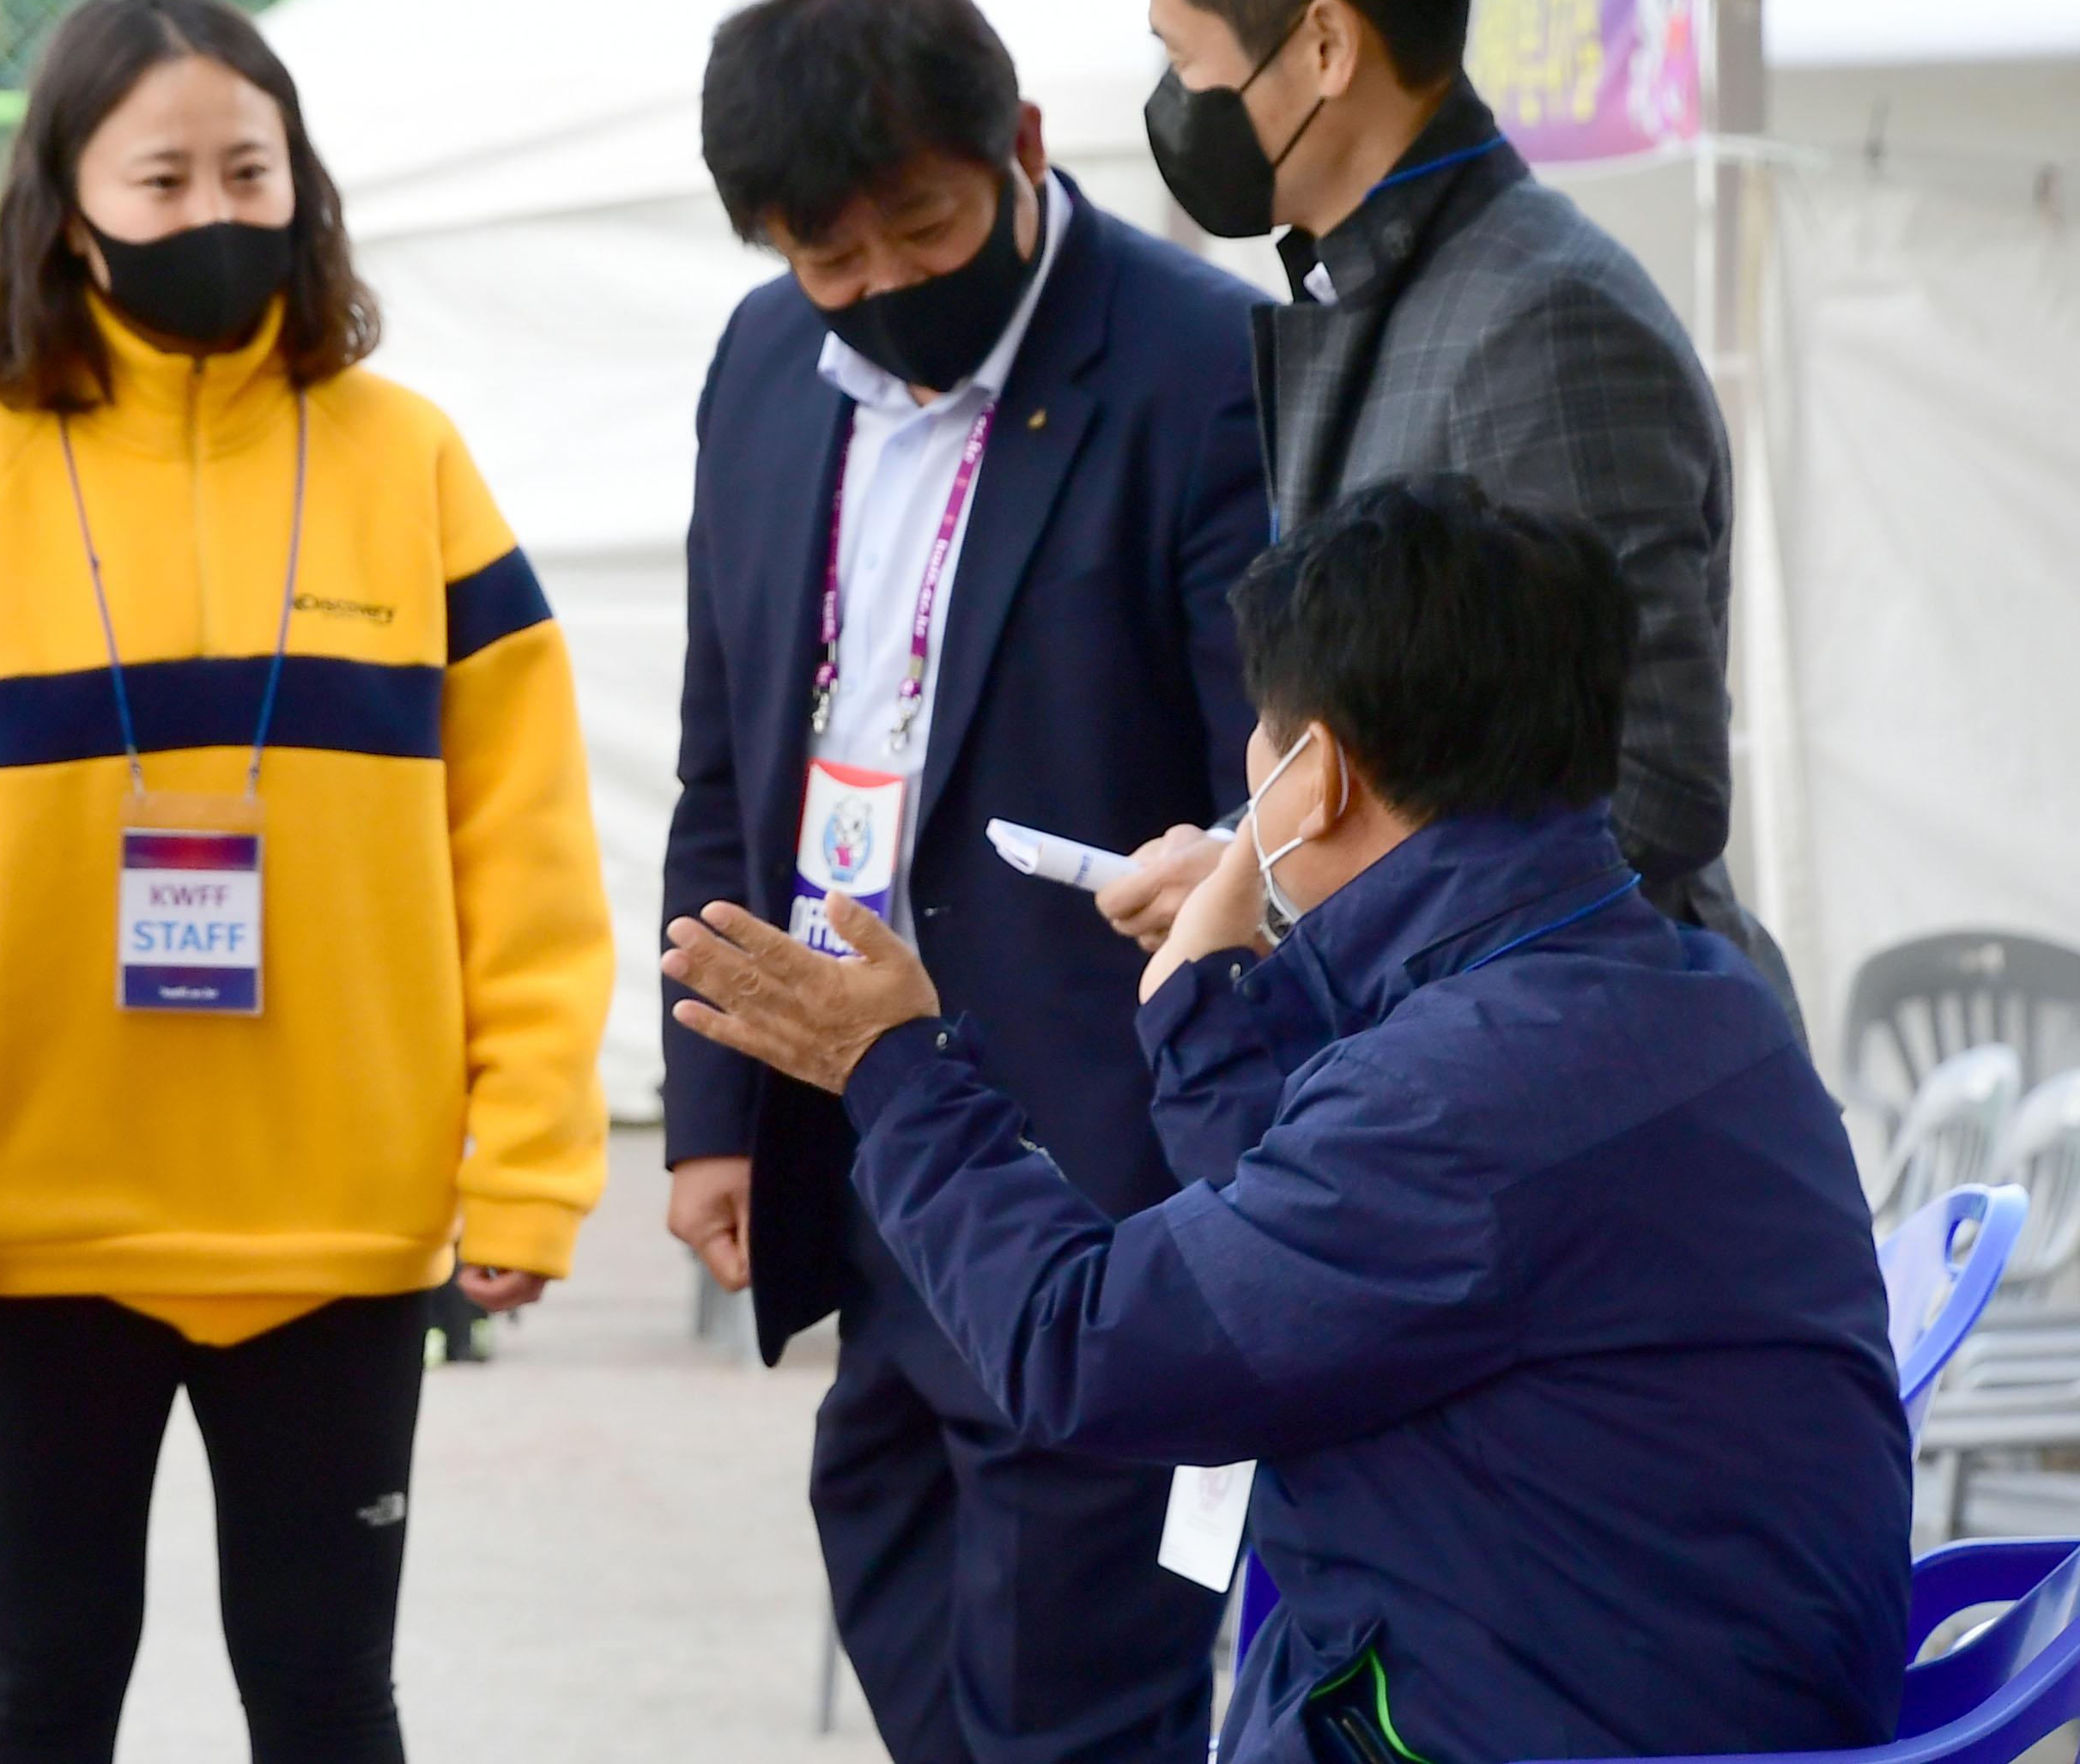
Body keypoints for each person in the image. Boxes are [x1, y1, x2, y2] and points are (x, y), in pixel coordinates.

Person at [664, 475, 1910, 1764]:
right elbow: (1304, 1273)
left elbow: (1089, 1353)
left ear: (1314, 775)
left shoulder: (1465, 1090)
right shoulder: (1683, 990)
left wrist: (890, 1069)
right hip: (1682, 1675)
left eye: (1264, 735)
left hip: (1552, 1715)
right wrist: (1221, 993)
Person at [0, 0, 613, 1764]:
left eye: (247, 170)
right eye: (161, 177)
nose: (212, 215)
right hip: (28, 1229)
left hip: (340, 1222)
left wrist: (533, 1165)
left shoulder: (409, 460)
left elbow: (528, 850)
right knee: (35, 1699)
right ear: (63, 198)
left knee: (331, 1700)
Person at [662, 0, 1271, 1764]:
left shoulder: (1197, 362)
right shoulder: (771, 362)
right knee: (903, 1587)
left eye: (920, 235)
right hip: (855, 1132)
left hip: (1099, 1168)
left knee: (1073, 1699)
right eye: (826, 257)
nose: (877, 291)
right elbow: (726, 748)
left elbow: (1275, 775)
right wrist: (713, 1103)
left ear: (1013, 142)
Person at [1091, 0, 1786, 1004]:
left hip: (1573, 1102)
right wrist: (1250, 860)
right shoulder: (1389, 289)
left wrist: (1279, 887)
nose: (1173, 99)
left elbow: (1647, 797)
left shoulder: (1547, 327)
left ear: (1323, 47)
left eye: (1187, 58)